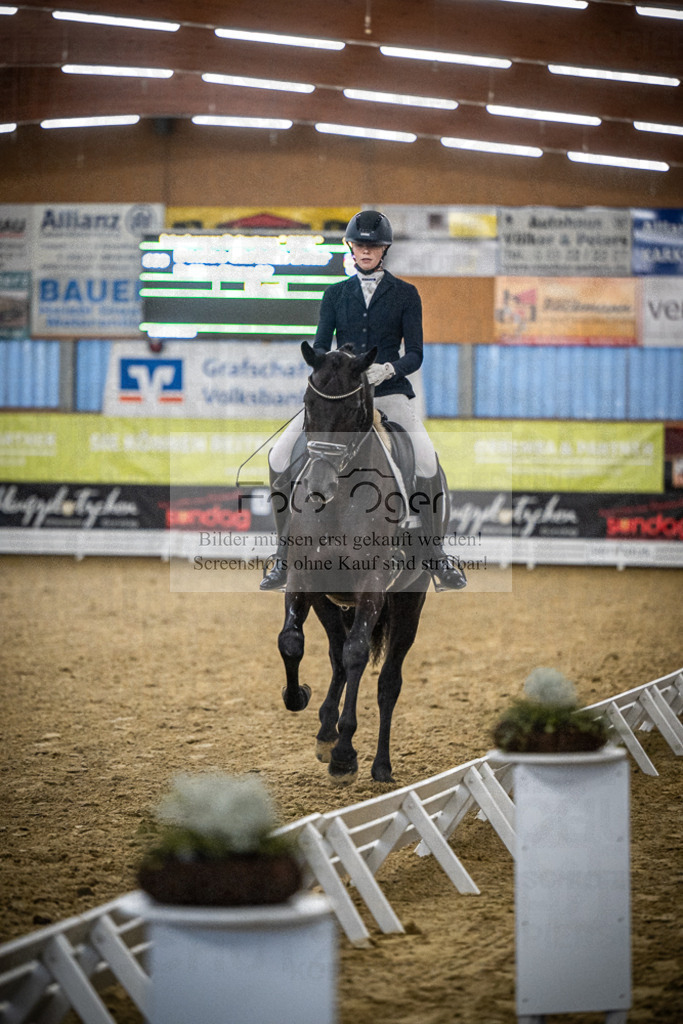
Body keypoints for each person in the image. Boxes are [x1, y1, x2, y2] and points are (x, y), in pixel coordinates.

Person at [259, 209, 466, 592]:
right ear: (351, 248)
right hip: (342, 397)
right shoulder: (335, 294)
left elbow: (415, 354)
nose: (366, 251)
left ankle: (435, 553)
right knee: (279, 455)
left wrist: (388, 369)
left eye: (373, 246)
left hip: (389, 395)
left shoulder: (405, 294)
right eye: (359, 245)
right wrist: (333, 365)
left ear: (384, 249)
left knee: (425, 458)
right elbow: (320, 345)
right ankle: (284, 553)